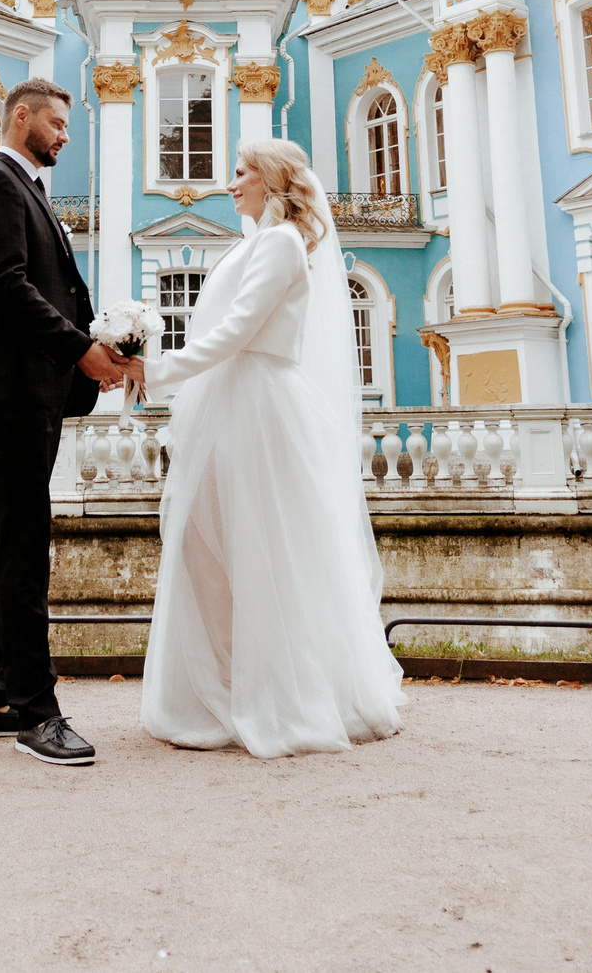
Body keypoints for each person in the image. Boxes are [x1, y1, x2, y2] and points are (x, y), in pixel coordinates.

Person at [127, 136, 408, 757]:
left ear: (272, 181)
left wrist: (158, 370)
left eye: (241, 172)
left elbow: (238, 330)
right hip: (229, 400)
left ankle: (273, 695)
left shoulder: (280, 243)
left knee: (258, 548)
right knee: (207, 542)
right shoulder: (256, 241)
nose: (230, 183)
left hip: (256, 404)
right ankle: (230, 685)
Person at [0, 78, 128, 766]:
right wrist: (80, 349)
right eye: (58, 123)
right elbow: (9, 288)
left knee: (0, 536)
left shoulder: (28, 189)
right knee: (22, 543)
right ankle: (37, 712)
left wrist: (93, 345)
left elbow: (45, 287)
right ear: (22, 118)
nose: (65, 134)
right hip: (9, 386)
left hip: (28, 386)